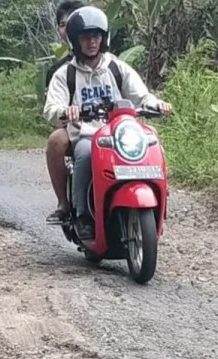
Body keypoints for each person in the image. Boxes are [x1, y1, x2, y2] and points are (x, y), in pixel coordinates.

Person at [43, 6, 172, 229]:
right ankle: (83, 215)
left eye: (96, 36)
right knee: (84, 154)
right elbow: (51, 108)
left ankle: (161, 194)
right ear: (75, 40)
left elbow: (141, 95)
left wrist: (156, 105)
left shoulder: (116, 67)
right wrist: (65, 111)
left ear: (103, 38)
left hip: (120, 133)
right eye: (85, 37)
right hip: (87, 133)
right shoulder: (66, 74)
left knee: (152, 139)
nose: (91, 42)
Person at [42, 0, 85, 223]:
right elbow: (52, 110)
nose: (67, 28)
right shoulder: (58, 72)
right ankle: (64, 203)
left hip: (111, 126)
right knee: (56, 141)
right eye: (62, 24)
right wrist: (67, 114)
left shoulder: (111, 64)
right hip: (76, 129)